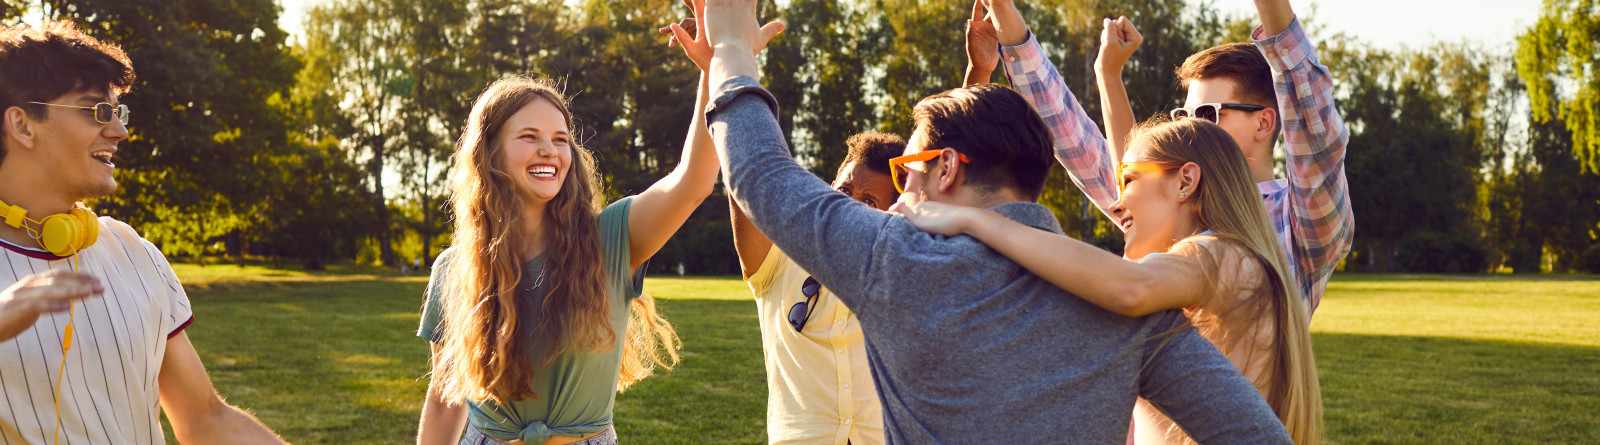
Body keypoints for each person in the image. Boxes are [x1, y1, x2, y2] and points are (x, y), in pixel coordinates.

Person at [699, 0, 1291, 442]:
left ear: (948, 169)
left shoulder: (894, 260)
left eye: (909, 168)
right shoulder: (1132, 311)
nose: (902, 189)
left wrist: (731, 51)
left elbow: (761, 176)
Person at [414, 14, 781, 442]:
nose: (548, 149)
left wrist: (714, 70)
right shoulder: (454, 269)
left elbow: (693, 182)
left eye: (560, 137)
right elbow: (444, 399)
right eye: (529, 136)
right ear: (489, 153)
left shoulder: (611, 238)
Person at [896, 118, 1322, 444]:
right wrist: (1108, 73)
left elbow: (1128, 288)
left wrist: (973, 220)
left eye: (1129, 180)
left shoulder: (1218, 254)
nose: (1116, 205)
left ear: (1186, 182)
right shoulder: (1237, 259)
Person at [966, 0, 1354, 315]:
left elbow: (1311, 118)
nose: (1187, 129)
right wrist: (1004, 11)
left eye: (1207, 114)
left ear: (1265, 122)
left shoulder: (1300, 222)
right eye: (1182, 115)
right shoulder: (1174, 195)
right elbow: (1080, 145)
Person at [0, 21, 285, 445]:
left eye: (119, 112)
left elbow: (204, 417)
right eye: (96, 111)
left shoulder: (134, 252)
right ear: (23, 125)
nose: (119, 131)